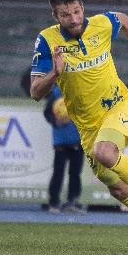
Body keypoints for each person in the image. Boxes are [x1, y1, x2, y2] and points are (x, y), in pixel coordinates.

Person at [29, 0, 128, 254]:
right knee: (119, 190)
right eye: (66, 15)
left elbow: (122, 19)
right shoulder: (47, 41)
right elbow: (35, 92)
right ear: (56, 16)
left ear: (83, 8)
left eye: (77, 11)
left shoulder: (101, 24)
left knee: (105, 151)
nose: (74, 19)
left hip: (117, 105)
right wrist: (54, 74)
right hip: (86, 126)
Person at [43, 85, 85, 214]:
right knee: (58, 172)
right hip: (60, 139)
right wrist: (55, 121)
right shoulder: (56, 92)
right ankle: (54, 202)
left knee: (75, 173)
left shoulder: (82, 89)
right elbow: (47, 112)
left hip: (78, 138)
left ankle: (72, 201)